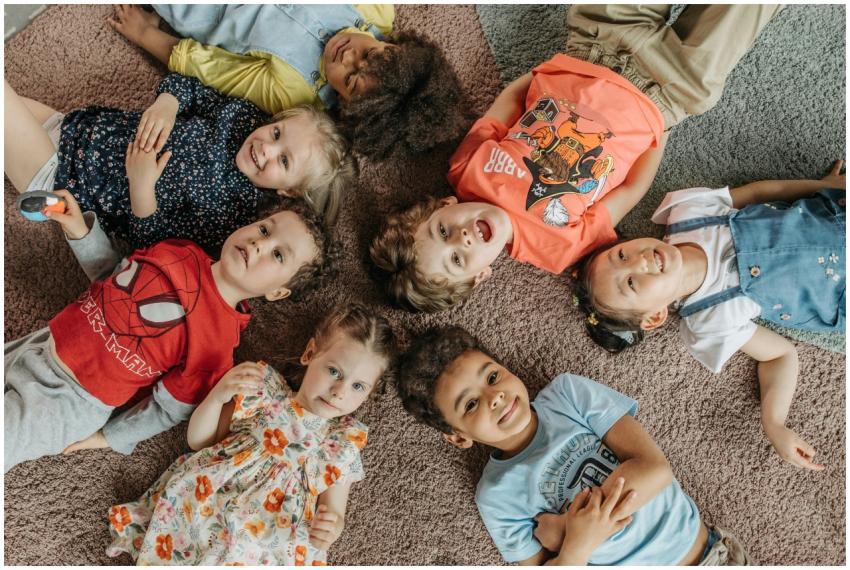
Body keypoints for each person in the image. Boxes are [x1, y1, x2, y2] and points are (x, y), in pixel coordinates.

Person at [369, 4, 782, 312]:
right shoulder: (556, 250)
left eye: (443, 231)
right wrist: (662, 126)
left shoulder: (465, 169)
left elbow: (505, 104)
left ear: (444, 206)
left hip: (595, 43)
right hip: (670, 89)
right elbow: (632, 189)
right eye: (458, 259)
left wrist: (547, 71)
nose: (462, 238)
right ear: (480, 276)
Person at [4, 193, 334, 473]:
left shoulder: (216, 347)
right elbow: (113, 277)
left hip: (73, 401)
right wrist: (80, 231)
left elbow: (167, 409)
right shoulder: (178, 251)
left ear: (277, 292)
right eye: (264, 229)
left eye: (278, 254)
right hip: (42, 344)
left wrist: (111, 437)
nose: (260, 243)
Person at [572, 161, 846, 471]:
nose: (639, 261)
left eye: (621, 255)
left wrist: (822, 186)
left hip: (834, 217)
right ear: (654, 317)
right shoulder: (710, 321)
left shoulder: (688, 214)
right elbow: (780, 355)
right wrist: (774, 423)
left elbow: (762, 191)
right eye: (632, 283)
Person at [398, 326, 750, 565]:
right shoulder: (496, 496)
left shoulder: (568, 395)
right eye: (470, 404)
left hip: (707, 557)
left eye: (492, 377)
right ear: (459, 436)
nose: (495, 397)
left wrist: (567, 529)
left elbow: (654, 470)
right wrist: (577, 543)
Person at [105, 303, 396, 565]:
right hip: (212, 502)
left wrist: (331, 528)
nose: (340, 391)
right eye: (334, 371)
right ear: (310, 354)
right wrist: (217, 398)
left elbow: (335, 509)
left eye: (359, 386)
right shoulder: (265, 392)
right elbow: (200, 442)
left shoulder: (340, 444)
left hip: (273, 536)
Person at [4, 72, 353, 250]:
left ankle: (47, 204)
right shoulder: (245, 119)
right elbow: (190, 88)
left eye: (284, 160)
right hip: (78, 127)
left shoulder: (232, 216)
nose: (266, 147)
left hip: (69, 181)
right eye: (277, 133)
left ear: (289, 191)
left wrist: (142, 185)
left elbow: (153, 243)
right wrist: (167, 103)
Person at [108, 4, 467, 160]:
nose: (347, 56)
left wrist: (145, 34)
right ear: (394, 45)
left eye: (351, 80)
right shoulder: (374, 10)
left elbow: (211, 67)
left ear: (345, 104)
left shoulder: (291, 91)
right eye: (369, 55)